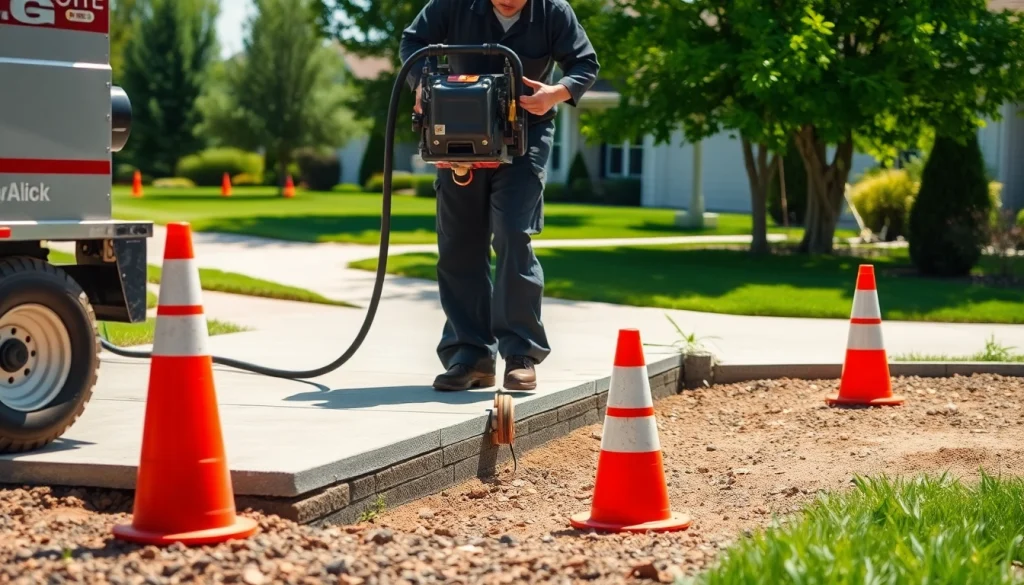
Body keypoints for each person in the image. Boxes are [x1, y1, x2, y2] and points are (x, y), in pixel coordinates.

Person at [399, 0, 600, 392]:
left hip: (524, 135)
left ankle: (520, 354)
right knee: (460, 243)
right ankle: (470, 354)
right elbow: (413, 42)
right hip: (458, 137)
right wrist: (422, 84)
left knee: (512, 232)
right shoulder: (451, 5)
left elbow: (584, 64)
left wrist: (555, 93)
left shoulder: (553, 12)